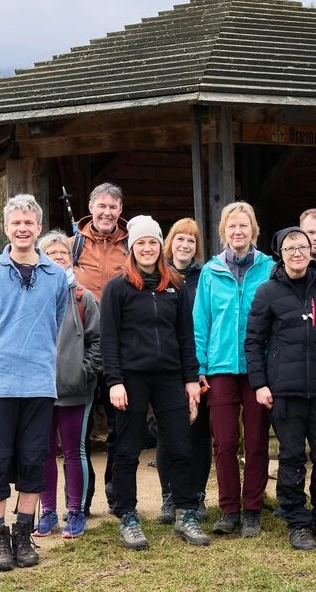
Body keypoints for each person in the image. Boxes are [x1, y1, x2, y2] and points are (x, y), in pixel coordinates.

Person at [0, 194, 69, 572]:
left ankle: (23, 535)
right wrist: (1, 354)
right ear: (6, 228)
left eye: (29, 223)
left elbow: (56, 322)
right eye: (16, 223)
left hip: (39, 384)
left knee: (33, 461)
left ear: (38, 228)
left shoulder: (56, 277)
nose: (23, 229)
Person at [102, 215, 211, 549]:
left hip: (170, 377)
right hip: (131, 378)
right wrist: (114, 381)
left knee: (180, 445)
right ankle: (128, 516)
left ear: (159, 246)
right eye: (141, 243)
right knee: (127, 449)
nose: (147, 248)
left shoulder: (175, 285)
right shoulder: (117, 287)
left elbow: (186, 337)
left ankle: (185, 512)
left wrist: (191, 379)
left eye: (152, 242)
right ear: (132, 247)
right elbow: (108, 339)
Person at [246, 227, 316, 550]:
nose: (297, 253)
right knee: (292, 457)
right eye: (290, 248)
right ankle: (297, 522)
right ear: (280, 254)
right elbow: (253, 342)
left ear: (311, 252)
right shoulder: (267, 292)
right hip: (285, 390)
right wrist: (259, 383)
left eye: (303, 247)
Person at [193, 201, 275, 538]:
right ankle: (229, 509)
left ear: (253, 230)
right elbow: (201, 321)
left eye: (243, 225)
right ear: (223, 232)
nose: (238, 231)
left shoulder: (269, 269)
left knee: (256, 440)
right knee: (225, 442)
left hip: (258, 368)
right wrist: (200, 365)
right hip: (221, 367)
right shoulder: (210, 272)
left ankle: (253, 508)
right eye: (232, 226)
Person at [34, 232, 101, 540]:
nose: (58, 256)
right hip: (39, 389)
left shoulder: (85, 298)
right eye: (51, 252)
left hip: (75, 390)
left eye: (63, 252)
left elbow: (97, 342)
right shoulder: (32, 294)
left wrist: (83, 372)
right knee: (44, 452)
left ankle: (76, 512)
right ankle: (47, 512)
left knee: (75, 452)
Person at [68, 182, 129, 515]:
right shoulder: (72, 245)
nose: (107, 212)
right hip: (82, 348)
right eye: (101, 206)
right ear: (91, 207)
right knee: (81, 426)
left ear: (120, 210)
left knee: (121, 426)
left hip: (121, 348)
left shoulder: (132, 244)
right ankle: (82, 498)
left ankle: (117, 494)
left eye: (113, 207)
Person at [155, 218, 211, 524]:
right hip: (166, 364)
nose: (185, 245)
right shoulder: (158, 275)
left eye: (191, 240)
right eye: (180, 239)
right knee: (169, 432)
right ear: (170, 243)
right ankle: (169, 496)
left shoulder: (206, 277)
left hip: (198, 364)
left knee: (199, 433)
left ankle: (197, 495)